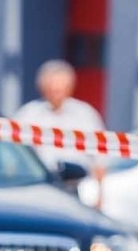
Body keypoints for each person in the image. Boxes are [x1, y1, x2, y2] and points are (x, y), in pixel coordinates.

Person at [15, 59, 107, 198]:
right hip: (38, 188)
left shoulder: (85, 114)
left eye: (60, 88)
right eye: (52, 88)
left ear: (70, 87)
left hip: (77, 188)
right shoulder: (28, 115)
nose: (56, 93)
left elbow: (100, 158)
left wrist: (100, 194)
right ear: (42, 88)